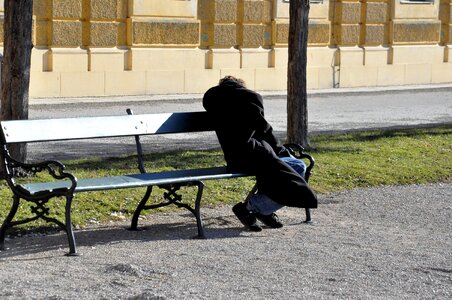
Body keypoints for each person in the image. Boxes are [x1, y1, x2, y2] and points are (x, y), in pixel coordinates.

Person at [203, 75, 317, 231]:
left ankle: (264, 210)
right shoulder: (250, 98)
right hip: (253, 156)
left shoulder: (213, 100)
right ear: (241, 85)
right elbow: (264, 130)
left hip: (234, 160)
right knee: (298, 166)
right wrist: (283, 151)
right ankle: (256, 207)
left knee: (278, 170)